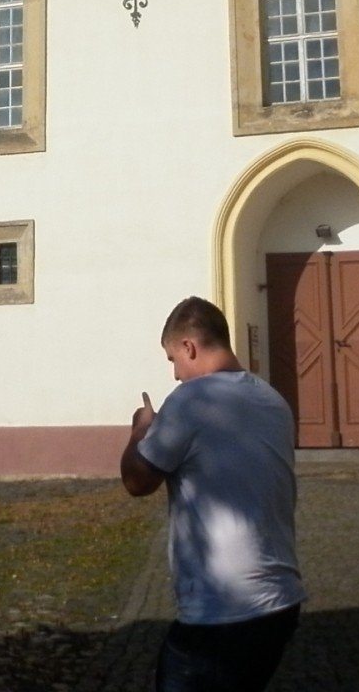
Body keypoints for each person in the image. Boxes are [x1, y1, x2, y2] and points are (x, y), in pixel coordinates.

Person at [121, 296, 305, 692]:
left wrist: (140, 430)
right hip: (280, 600)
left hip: (222, 609)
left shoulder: (191, 401)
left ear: (189, 346)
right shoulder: (272, 400)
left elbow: (138, 481)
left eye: (173, 360)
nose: (174, 375)